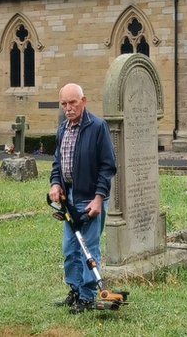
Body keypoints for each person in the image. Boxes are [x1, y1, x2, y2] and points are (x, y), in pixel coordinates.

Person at [49, 83, 117, 313]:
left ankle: (87, 297)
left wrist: (99, 198)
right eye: (64, 104)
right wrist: (55, 184)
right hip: (69, 200)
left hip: (90, 200)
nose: (68, 108)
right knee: (70, 249)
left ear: (83, 101)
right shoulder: (62, 129)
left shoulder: (98, 127)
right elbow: (58, 163)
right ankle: (75, 290)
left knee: (88, 249)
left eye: (72, 103)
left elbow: (108, 167)